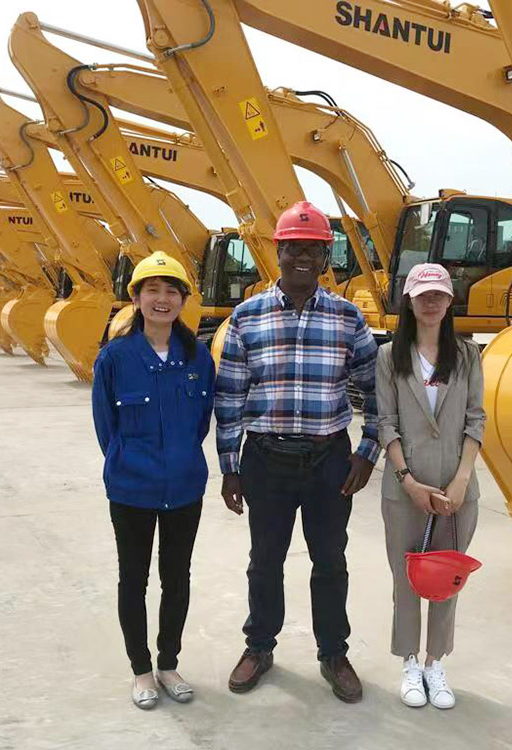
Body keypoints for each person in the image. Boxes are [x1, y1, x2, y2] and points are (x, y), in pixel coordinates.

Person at [215, 201, 380, 703]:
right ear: (278, 252)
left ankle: (334, 652)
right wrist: (230, 467)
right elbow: (230, 398)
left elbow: (377, 394)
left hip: (329, 462)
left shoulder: (348, 319)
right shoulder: (247, 318)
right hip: (266, 461)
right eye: (293, 248)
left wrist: (367, 451)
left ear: (325, 256)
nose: (303, 257)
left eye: (314, 248)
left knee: (330, 560)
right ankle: (259, 646)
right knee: (264, 560)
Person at [91, 251, 215, 709]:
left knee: (176, 578)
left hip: (184, 488)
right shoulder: (115, 358)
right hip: (132, 490)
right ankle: (141, 671)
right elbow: (107, 427)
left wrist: (177, 458)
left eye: (171, 291)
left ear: (183, 300)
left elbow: (201, 421)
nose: (162, 299)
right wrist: (129, 462)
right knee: (133, 579)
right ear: (137, 298)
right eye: (152, 290)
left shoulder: (197, 357)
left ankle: (168, 664)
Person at [375, 263, 485, 710]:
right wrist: (408, 480)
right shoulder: (390, 357)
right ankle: (408, 661)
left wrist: (460, 481)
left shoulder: (466, 354)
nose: (432, 302)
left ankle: (434, 662)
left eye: (439, 295)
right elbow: (386, 423)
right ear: (410, 301)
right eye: (424, 296)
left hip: (457, 492)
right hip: (406, 490)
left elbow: (475, 419)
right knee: (406, 580)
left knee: (446, 580)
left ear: (449, 301)